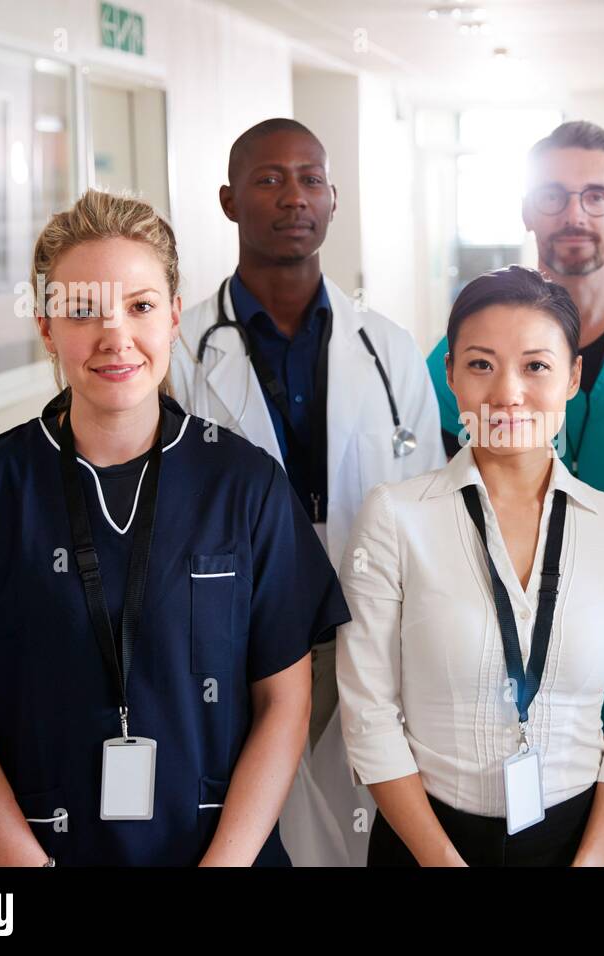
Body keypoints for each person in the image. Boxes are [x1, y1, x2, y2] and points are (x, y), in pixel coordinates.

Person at [0, 189, 347, 865]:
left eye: (141, 306)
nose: (114, 336)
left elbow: (285, 704)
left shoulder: (246, 484)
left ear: (174, 317)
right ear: (46, 328)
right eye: (82, 311)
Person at [169, 118, 443, 865]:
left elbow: (429, 509)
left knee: (362, 807)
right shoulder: (180, 351)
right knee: (261, 818)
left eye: (310, 178)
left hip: (367, 623)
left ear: (333, 198)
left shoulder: (388, 349)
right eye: (269, 179)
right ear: (228, 201)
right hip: (237, 631)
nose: (294, 196)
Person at [337, 265, 604, 866]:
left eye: (536, 366)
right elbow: (368, 715)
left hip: (576, 841)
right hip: (426, 840)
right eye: (481, 364)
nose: (508, 393)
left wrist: (592, 861)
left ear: (573, 376)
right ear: (450, 376)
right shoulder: (395, 518)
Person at [425, 120, 604, 507]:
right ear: (526, 211)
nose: (574, 215)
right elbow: (436, 499)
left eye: (596, 197)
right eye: (551, 196)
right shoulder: (470, 353)